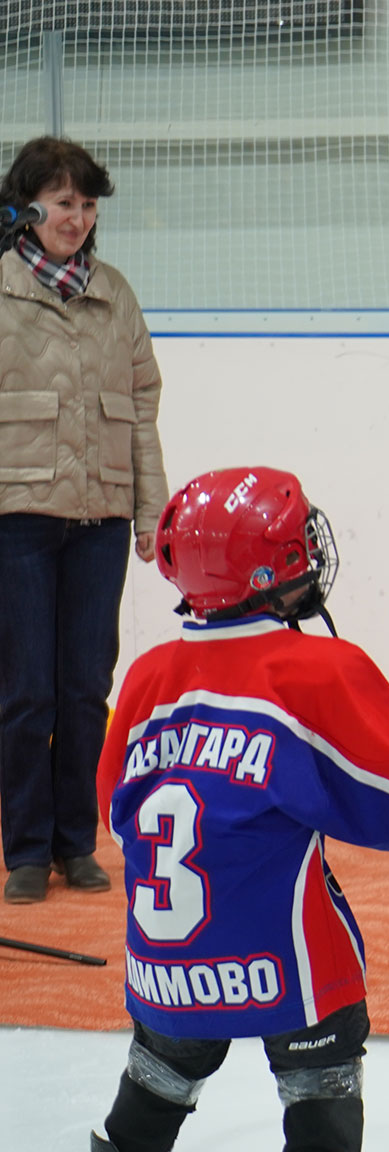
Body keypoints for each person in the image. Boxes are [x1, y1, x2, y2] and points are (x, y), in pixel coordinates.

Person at [89, 467, 389, 1152]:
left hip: (165, 968)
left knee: (149, 1100)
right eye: (299, 545)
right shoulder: (315, 669)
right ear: (267, 570)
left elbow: (117, 813)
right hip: (286, 968)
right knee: (322, 1100)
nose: (311, 555)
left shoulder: (146, 677)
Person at [0, 136, 168, 904]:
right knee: (25, 691)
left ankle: (77, 842)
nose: (78, 217)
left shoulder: (116, 294)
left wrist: (150, 511)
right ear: (27, 208)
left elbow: (142, 413)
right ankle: (26, 850)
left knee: (84, 688)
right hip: (18, 518)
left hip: (102, 519)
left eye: (88, 204)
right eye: (64, 202)